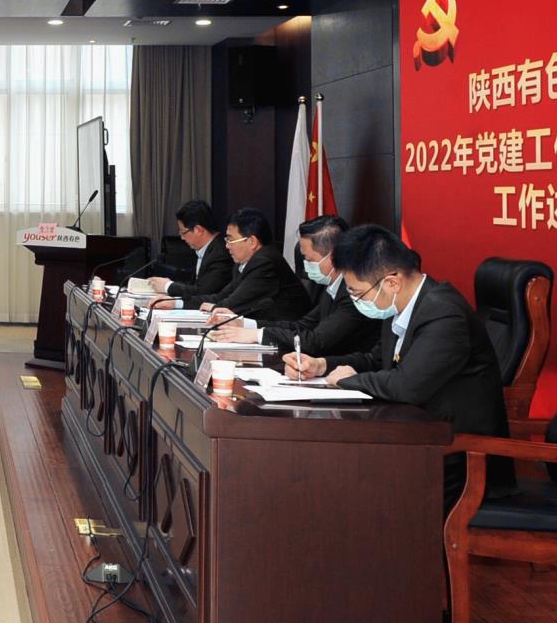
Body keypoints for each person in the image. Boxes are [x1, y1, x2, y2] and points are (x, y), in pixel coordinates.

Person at [285, 224, 512, 497]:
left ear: (392, 282)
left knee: (346, 481)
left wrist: (348, 381)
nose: (355, 300)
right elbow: (376, 359)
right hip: (418, 438)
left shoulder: (444, 314)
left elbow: (407, 386)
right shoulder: (401, 304)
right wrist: (322, 365)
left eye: (357, 293)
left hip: (458, 459)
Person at [209, 215, 374, 358]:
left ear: (333, 256)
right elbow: (301, 326)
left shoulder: (354, 293)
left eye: (308, 259)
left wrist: (256, 335)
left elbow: (316, 341)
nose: (306, 266)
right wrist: (244, 324)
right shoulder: (332, 286)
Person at [187, 208, 313, 320]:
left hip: (287, 332)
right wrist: (181, 303)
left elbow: (232, 305)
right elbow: (222, 297)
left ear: (252, 242)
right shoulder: (243, 262)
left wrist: (214, 307)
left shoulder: (265, 262)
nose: (227, 246)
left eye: (230, 240)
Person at [146, 199, 232, 302]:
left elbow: (204, 292)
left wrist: (168, 286)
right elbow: (194, 285)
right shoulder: (205, 249)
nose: (182, 238)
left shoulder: (221, 253)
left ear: (198, 230)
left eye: (183, 232)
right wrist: (169, 284)